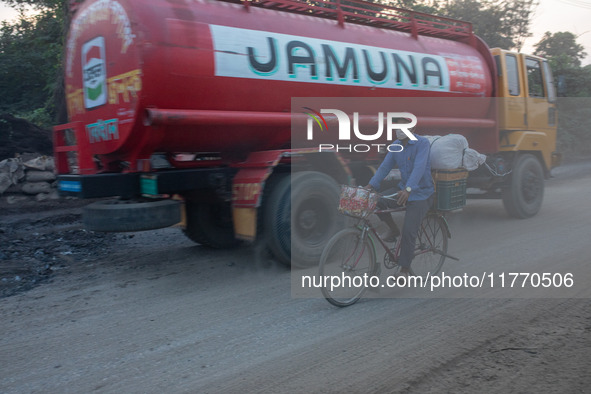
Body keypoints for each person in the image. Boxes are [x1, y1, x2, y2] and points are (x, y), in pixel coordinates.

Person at [366, 123, 435, 276]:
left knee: (409, 231)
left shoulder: (422, 143)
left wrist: (409, 189)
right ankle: (393, 228)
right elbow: (385, 167)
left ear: (413, 129)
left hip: (422, 192)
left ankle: (404, 268)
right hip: (403, 189)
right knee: (377, 201)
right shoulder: (395, 145)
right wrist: (371, 185)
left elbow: (419, 168)